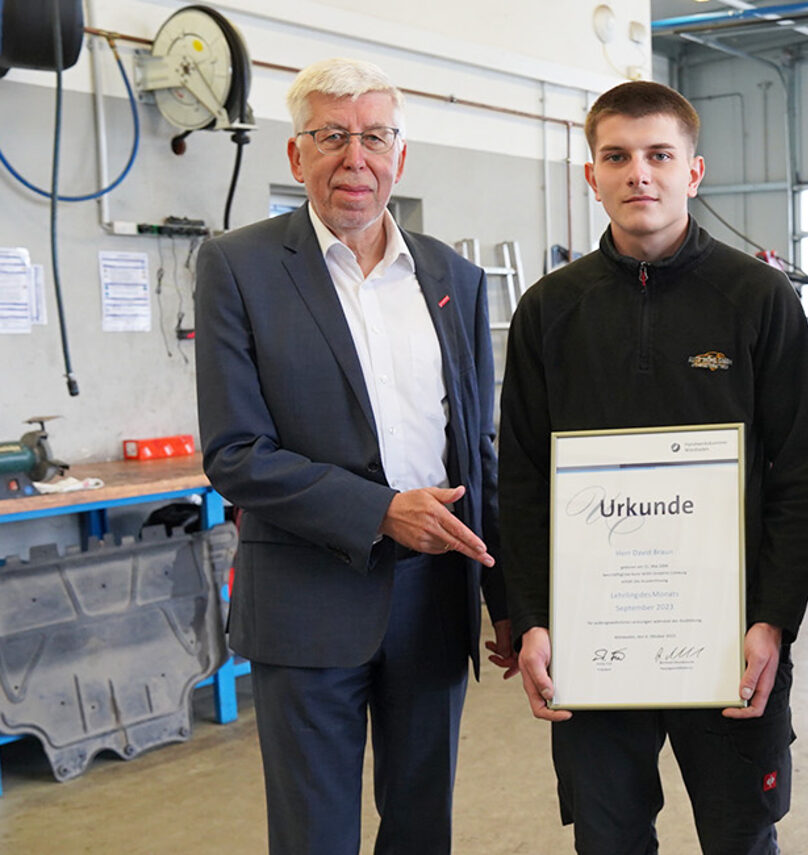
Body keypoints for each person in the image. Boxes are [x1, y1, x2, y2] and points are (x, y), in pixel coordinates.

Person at [496, 81, 808, 854]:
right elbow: (521, 480)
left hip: (728, 638)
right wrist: (535, 616)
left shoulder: (759, 298)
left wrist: (772, 619)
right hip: (593, 640)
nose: (638, 173)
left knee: (742, 836)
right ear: (592, 175)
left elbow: (796, 471)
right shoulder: (549, 312)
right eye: (617, 156)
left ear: (693, 170)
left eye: (659, 155)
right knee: (608, 840)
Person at [195, 57, 514, 854]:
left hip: (434, 600)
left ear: (399, 155)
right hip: (307, 601)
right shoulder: (239, 268)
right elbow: (234, 452)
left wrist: (507, 598)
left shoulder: (455, 277)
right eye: (332, 135)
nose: (355, 157)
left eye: (374, 135)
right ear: (297, 154)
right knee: (315, 837)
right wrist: (378, 510)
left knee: (420, 828)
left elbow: (475, 447)